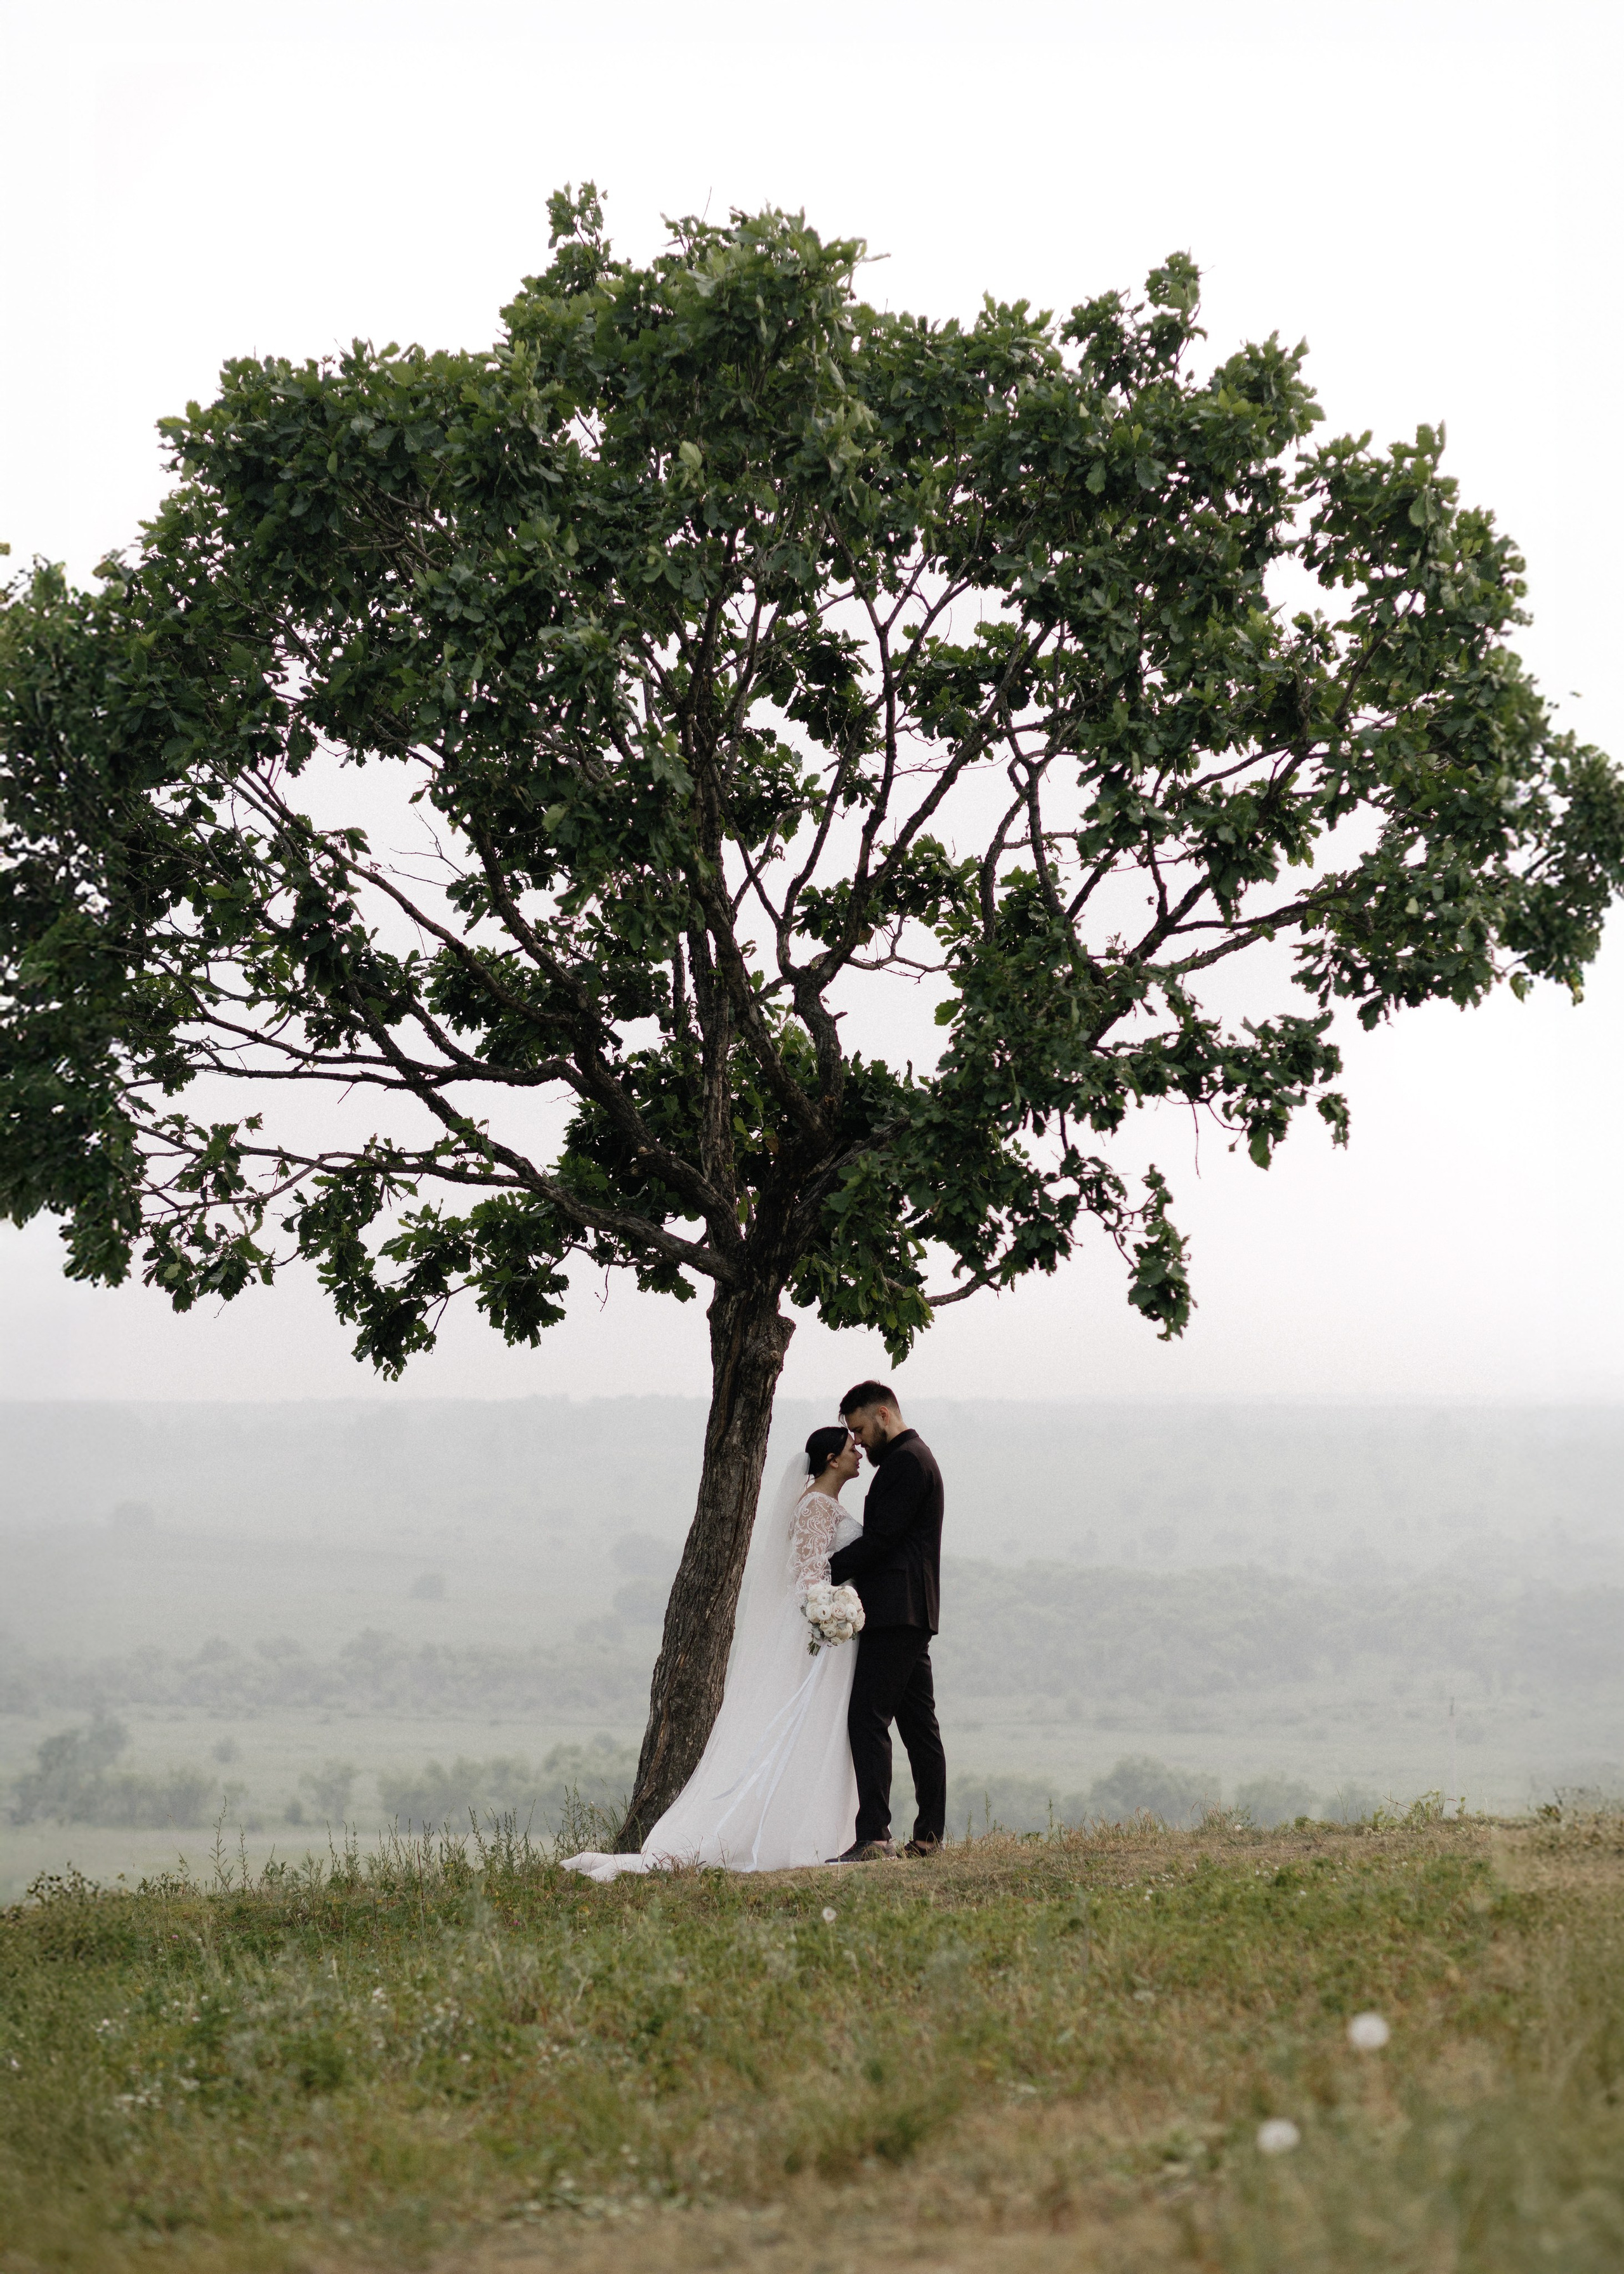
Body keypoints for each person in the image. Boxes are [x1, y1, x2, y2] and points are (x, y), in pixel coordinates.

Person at [561, 1424, 863, 1880]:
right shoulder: (818, 1506)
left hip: (827, 1634)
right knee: (803, 1726)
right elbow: (807, 1576)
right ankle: (779, 1833)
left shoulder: (824, 1504)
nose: (858, 1453)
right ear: (830, 1461)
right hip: (819, 1635)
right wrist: (833, 1610)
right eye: (850, 1447)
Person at [825, 1380, 947, 1863]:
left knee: (867, 1717)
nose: (857, 1442)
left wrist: (822, 1575)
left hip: (897, 1609)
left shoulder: (905, 1462)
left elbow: (881, 1541)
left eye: (859, 1430)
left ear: (882, 1414)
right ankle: (928, 1836)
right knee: (919, 1726)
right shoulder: (912, 1458)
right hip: (911, 1609)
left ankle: (875, 1835)